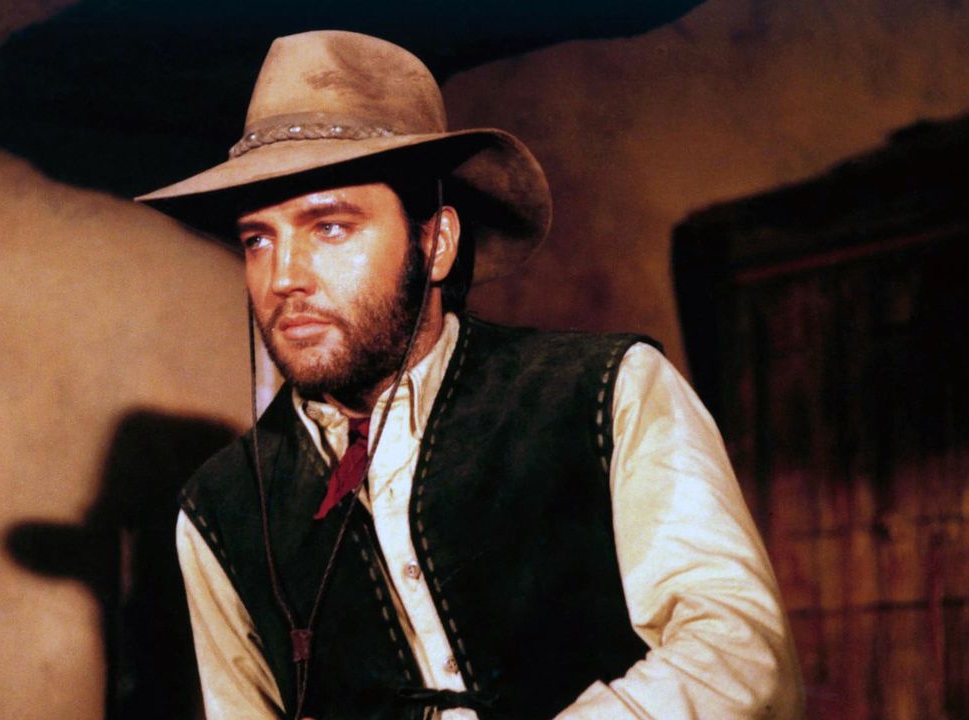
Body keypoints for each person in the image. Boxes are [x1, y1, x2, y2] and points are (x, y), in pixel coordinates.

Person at [137, 31, 804, 719]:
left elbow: (740, 658)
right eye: (258, 239)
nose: (283, 278)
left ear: (436, 243)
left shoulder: (609, 393)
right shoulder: (220, 509)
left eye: (330, 227)